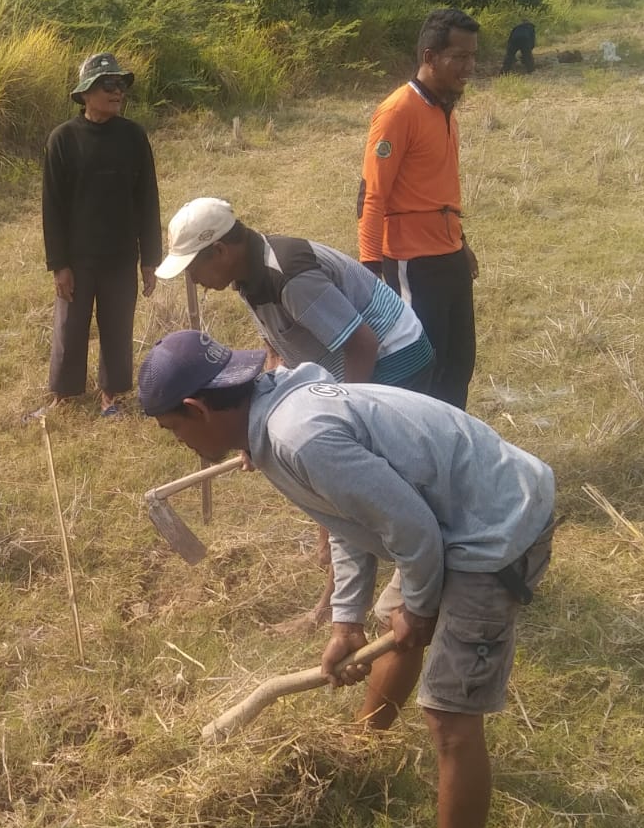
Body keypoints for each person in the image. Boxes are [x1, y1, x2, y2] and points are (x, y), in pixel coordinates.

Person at [138, 329, 555, 828]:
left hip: (495, 525)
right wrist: (346, 621)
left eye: (175, 431)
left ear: (199, 410)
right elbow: (347, 519)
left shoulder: (298, 435)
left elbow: (411, 527)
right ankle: (365, 747)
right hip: (452, 516)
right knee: (399, 617)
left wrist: (421, 607)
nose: (182, 445)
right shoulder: (276, 426)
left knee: (449, 717)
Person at [156, 196, 435, 626]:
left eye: (193, 266)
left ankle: (414, 580)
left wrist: (349, 417)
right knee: (325, 474)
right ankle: (336, 606)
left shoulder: (288, 277)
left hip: (395, 357)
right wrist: (253, 427)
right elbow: (276, 351)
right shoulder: (248, 278)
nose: (192, 278)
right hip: (351, 362)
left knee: (350, 479)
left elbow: (363, 343)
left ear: (220, 251)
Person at [357, 8, 481, 410]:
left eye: (472, 57)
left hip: (449, 257)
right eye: (459, 58)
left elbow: (440, 190)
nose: (469, 68)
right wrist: (370, 271)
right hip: (412, 263)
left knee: (458, 364)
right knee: (420, 369)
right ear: (429, 57)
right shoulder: (397, 112)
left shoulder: (446, 110)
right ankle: (415, 459)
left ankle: (450, 452)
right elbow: (372, 196)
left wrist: (461, 243)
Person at [35, 52, 160, 420]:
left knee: (118, 324)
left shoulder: (133, 137)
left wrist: (150, 259)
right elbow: (52, 208)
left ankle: (111, 396)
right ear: (86, 92)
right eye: (109, 85)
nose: (117, 92)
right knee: (70, 327)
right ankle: (64, 395)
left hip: (121, 255)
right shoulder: (63, 140)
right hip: (78, 258)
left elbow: (147, 199)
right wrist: (59, 264)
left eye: (121, 85)